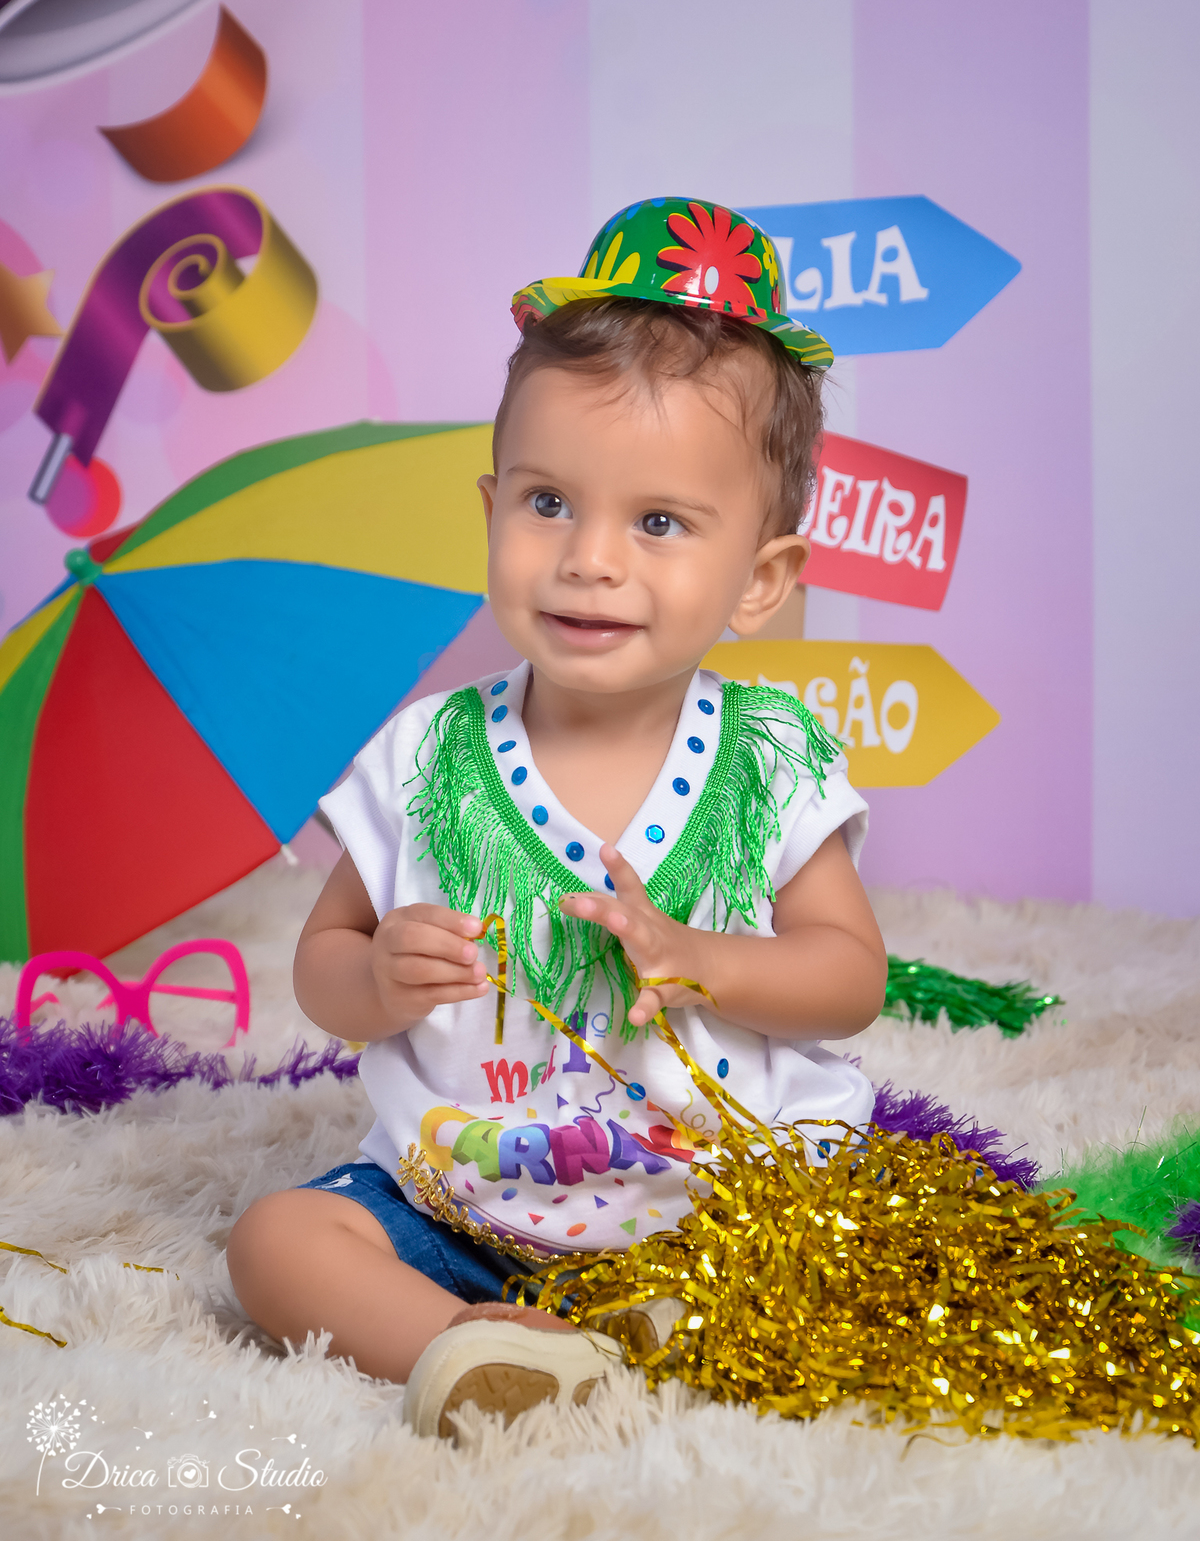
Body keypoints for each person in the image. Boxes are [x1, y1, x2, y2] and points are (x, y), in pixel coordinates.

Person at [227, 198, 889, 1439]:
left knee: (849, 1264)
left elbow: (849, 977)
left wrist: (704, 958)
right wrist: (378, 973)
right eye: (547, 504)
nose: (590, 558)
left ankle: (662, 1322)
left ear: (760, 579)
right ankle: (477, 1342)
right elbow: (323, 965)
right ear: (491, 510)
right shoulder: (430, 751)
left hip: (718, 1197)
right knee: (273, 1242)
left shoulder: (770, 756)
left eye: (658, 523)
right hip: (462, 1201)